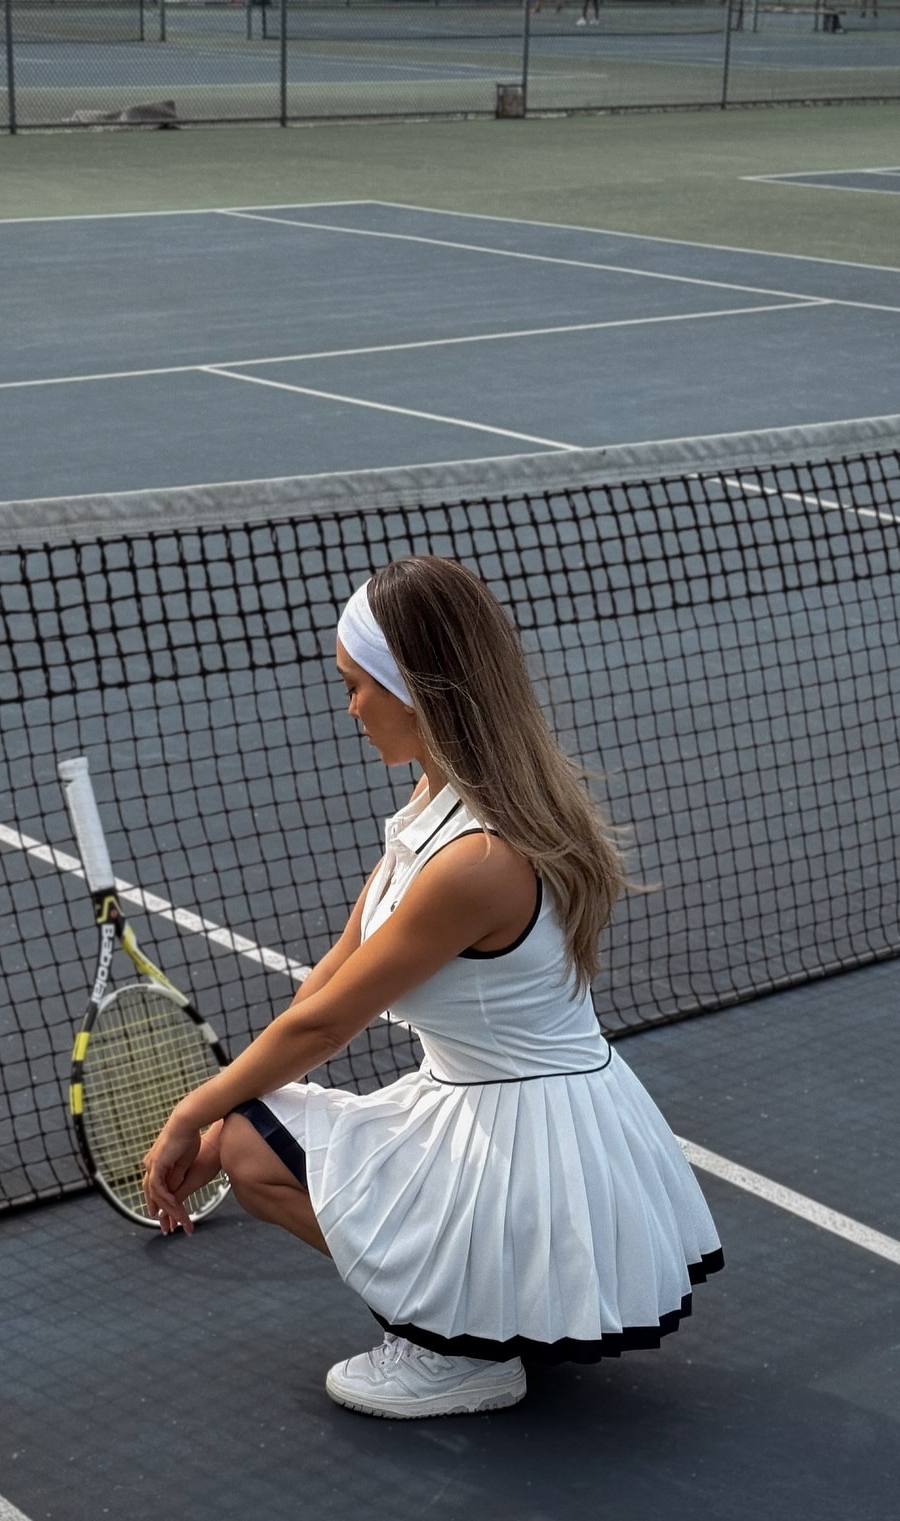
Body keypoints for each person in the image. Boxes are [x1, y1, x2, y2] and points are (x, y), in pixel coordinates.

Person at [142, 556, 722, 1420]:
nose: (350, 710)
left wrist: (194, 1113)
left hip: (531, 1147)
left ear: (419, 691)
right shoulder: (452, 794)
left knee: (247, 1146)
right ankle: (503, 1311)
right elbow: (338, 965)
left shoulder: (475, 861)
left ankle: (457, 1350)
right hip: (517, 1115)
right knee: (255, 1122)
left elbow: (325, 1027)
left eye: (359, 686)